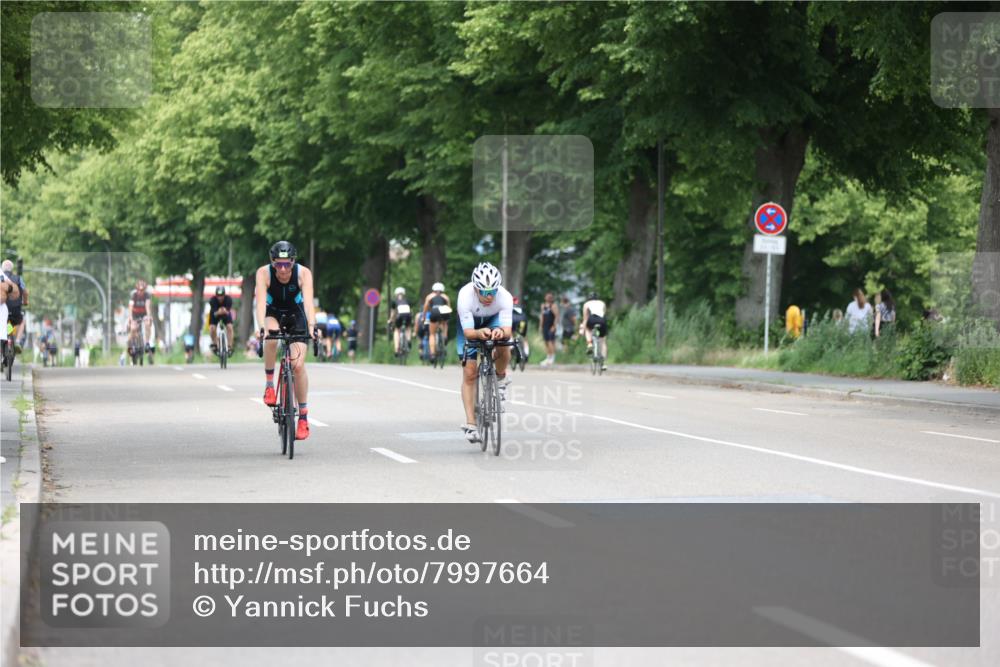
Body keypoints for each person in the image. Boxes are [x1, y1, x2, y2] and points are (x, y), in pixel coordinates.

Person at [255, 241, 318, 441]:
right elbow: (260, 305)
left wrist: (312, 327)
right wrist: (261, 328)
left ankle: (303, 417)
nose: (283, 269)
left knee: (298, 365)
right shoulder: (263, 273)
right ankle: (269, 385)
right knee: (271, 337)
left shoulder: (303, 273)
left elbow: (308, 304)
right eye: (278, 264)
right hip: (273, 312)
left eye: (287, 264)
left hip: (296, 312)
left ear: (293, 262)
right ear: (272, 263)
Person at [457, 262, 513, 442]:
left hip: (493, 319)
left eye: (493, 291)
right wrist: (478, 333)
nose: (490, 296)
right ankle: (471, 424)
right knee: (469, 372)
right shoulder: (465, 296)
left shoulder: (504, 297)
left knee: (504, 343)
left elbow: (507, 330)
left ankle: (500, 377)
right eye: (485, 292)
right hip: (470, 324)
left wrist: (500, 332)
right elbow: (468, 333)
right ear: (475, 289)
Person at [420, 281, 452, 360]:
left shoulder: (430, 296)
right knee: (445, 323)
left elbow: (425, 308)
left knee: (432, 334)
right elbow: (449, 308)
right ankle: (444, 336)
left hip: (434, 312)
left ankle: (433, 354)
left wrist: (423, 318)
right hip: (444, 311)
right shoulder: (445, 297)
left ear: (433, 289)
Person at [579, 291, 609, 370]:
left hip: (592, 319)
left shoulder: (587, 304)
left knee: (588, 329)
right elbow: (604, 313)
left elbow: (585, 319)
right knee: (603, 342)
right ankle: (603, 364)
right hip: (602, 320)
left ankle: (589, 344)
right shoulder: (602, 303)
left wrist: (582, 329)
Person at [1, 260, 27, 348]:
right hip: (15, 310)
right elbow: (25, 292)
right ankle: (18, 342)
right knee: (22, 321)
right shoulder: (19, 278)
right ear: (12, 269)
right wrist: (25, 302)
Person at [128, 279, 154, 359]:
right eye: (139, 290)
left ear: (144, 290)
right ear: (137, 289)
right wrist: (130, 317)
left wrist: (149, 316)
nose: (140, 291)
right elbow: (130, 307)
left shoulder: (147, 295)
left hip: (144, 314)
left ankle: (146, 343)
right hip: (135, 314)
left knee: (147, 323)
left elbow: (148, 306)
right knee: (133, 328)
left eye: (142, 290)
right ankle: (131, 345)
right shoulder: (134, 295)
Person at [208, 286, 235, 357]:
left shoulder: (228, 299)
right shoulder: (212, 300)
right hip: (215, 314)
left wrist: (224, 311)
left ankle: (229, 346)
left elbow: (228, 311)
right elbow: (215, 313)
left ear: (224, 295)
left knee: (230, 327)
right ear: (216, 295)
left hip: (225, 315)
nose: (220, 297)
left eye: (222, 296)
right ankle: (214, 343)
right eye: (218, 296)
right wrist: (219, 311)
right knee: (212, 328)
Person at [387, 287, 412, 356]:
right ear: (404, 294)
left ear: (396, 294)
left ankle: (396, 349)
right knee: (408, 328)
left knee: (397, 330)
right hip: (408, 316)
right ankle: (409, 340)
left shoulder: (394, 301)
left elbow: (393, 313)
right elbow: (410, 311)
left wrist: (390, 320)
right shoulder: (407, 300)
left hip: (399, 316)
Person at [539, 292, 558, 366]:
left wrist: (554, 326)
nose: (548, 298)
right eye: (547, 297)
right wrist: (540, 326)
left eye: (550, 297)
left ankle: (552, 357)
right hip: (545, 326)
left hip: (551, 326)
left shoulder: (553, 306)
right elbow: (542, 316)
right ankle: (548, 357)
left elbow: (556, 316)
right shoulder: (543, 306)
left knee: (551, 342)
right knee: (546, 342)